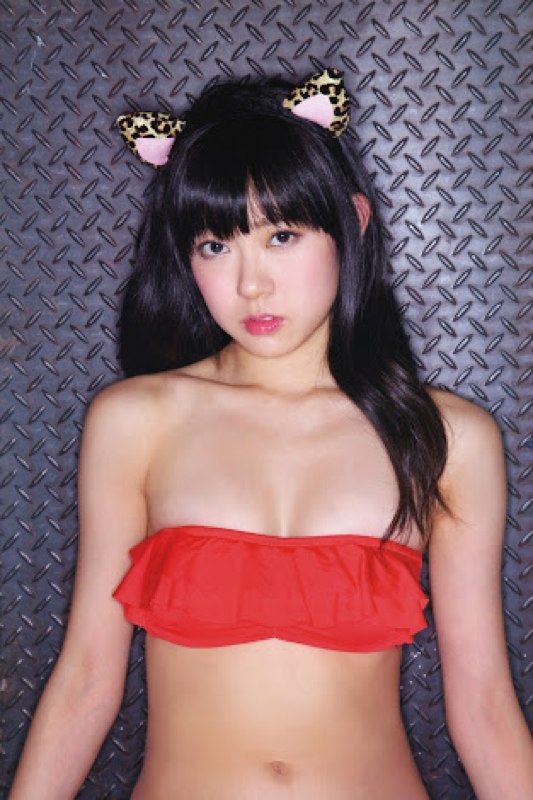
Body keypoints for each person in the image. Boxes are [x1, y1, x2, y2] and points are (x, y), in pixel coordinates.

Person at [9, 68, 533, 800]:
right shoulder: (136, 421)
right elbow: (87, 678)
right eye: (215, 246)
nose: (251, 283)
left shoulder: (444, 436)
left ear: (352, 222)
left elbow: (482, 707)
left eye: (282, 236)